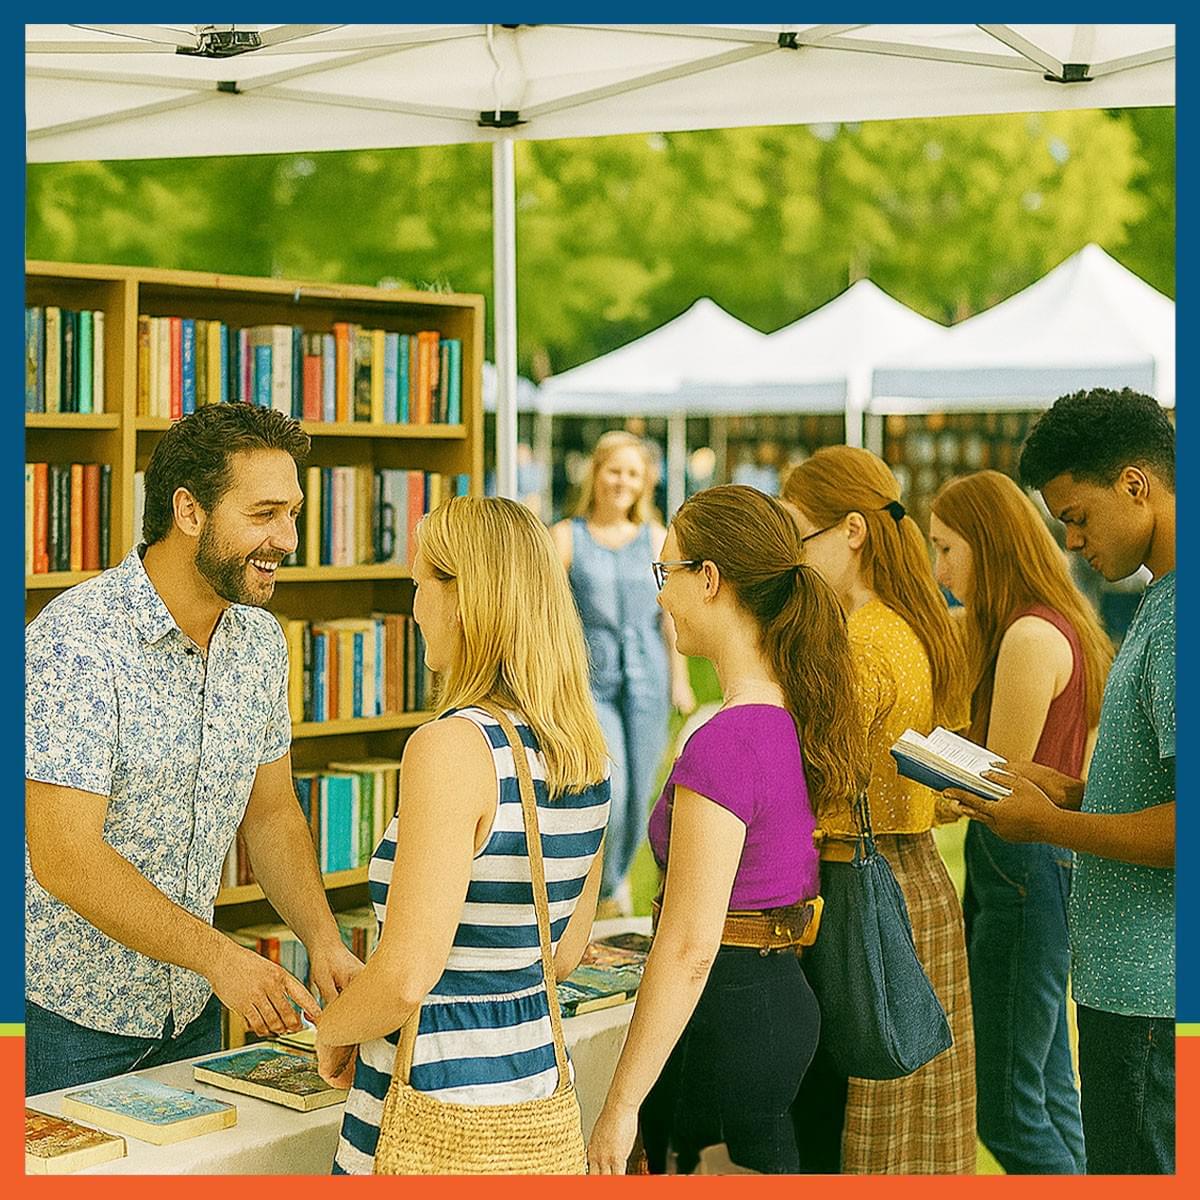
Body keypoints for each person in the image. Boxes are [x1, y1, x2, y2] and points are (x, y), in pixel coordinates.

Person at [25, 405, 363, 1096]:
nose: (288, 538)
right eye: (265, 513)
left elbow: (270, 816)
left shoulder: (262, 644)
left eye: (293, 512)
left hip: (193, 1016)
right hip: (63, 1024)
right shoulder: (75, 641)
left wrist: (324, 940)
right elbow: (64, 857)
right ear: (189, 512)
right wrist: (222, 960)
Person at [320, 497, 611, 1174]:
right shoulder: (586, 754)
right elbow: (560, 955)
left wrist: (334, 1029)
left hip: (434, 1098)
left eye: (419, 584)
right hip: (533, 1090)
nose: (414, 607)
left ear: (463, 599)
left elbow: (405, 978)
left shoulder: (453, 748)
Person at [587, 485, 867, 1174]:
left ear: (708, 579)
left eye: (666, 574)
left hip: (732, 1019)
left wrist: (619, 1108)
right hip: (769, 1005)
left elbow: (688, 945)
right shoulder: (792, 710)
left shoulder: (730, 738)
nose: (661, 597)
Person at [949, 388, 1175, 1175]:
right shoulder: (1156, 598)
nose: (1072, 540)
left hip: (1150, 992)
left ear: (1136, 484)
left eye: (1079, 515)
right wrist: (1071, 790)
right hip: (1122, 984)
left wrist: (1050, 825)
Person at [781, 445, 975, 1175]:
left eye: (801, 536)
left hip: (862, 891)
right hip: (914, 884)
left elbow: (815, 787)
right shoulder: (910, 621)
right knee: (916, 1135)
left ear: (852, 531)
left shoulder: (857, 643)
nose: (795, 559)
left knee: (864, 1135)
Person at [930, 470, 1114, 1174]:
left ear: (987, 542)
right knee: (1047, 1087)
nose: (940, 568)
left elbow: (998, 784)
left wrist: (924, 775)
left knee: (1004, 1112)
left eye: (947, 549)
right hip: (1035, 871)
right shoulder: (1036, 620)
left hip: (1023, 871)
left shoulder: (1030, 633)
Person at [552, 431, 695, 911]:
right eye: (614, 469)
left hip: (648, 680)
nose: (621, 481)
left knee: (642, 795)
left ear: (644, 483)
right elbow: (547, 615)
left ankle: (612, 886)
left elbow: (670, 614)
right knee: (611, 788)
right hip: (591, 681)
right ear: (595, 473)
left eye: (632, 473)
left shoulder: (657, 540)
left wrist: (680, 678)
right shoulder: (565, 537)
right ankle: (604, 890)